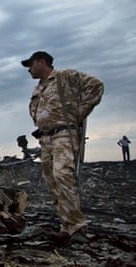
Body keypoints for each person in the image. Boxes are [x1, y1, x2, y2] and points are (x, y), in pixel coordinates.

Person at [22, 51, 104, 243]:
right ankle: (66, 226)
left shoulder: (64, 77)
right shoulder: (38, 88)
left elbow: (96, 86)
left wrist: (78, 113)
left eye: (31, 64)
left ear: (42, 62)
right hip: (46, 139)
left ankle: (78, 227)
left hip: (63, 136)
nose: (29, 69)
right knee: (52, 182)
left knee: (63, 176)